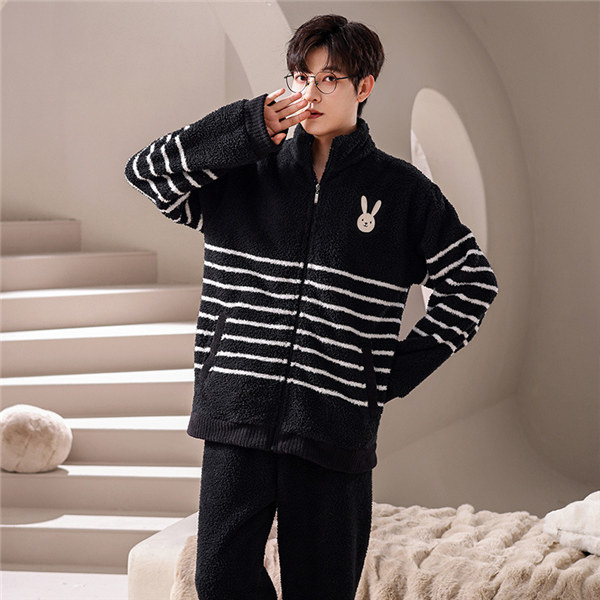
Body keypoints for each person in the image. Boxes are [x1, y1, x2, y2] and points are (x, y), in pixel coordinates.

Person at [124, 13, 498, 600]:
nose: (311, 92)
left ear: (364, 87)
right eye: (301, 77)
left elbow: (472, 284)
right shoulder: (244, 172)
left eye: (329, 79)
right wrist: (247, 126)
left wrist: (386, 372)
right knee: (219, 579)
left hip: (334, 425)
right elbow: (148, 172)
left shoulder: (403, 193)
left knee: (323, 589)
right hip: (237, 410)